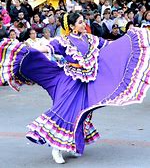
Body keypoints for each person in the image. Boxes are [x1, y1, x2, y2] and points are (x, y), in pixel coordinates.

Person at [0, 12, 150, 164]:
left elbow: (108, 45)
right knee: (65, 111)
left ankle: (73, 145)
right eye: (79, 22)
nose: (83, 24)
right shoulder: (64, 41)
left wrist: (128, 40)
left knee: (81, 113)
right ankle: (56, 148)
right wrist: (31, 50)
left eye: (83, 21)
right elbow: (47, 48)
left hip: (86, 82)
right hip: (69, 81)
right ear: (71, 26)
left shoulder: (90, 39)